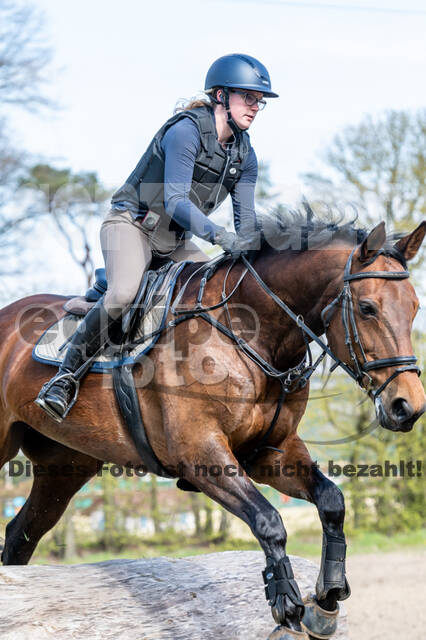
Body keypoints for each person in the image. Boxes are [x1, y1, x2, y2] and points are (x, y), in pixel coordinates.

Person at [35, 53, 279, 422]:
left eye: (259, 101)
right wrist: (222, 238)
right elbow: (176, 201)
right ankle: (64, 378)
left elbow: (246, 220)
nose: (255, 107)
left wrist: (260, 254)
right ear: (220, 96)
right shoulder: (185, 131)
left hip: (173, 240)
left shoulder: (245, 155)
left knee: (214, 294)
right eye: (248, 97)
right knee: (122, 295)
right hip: (131, 224)